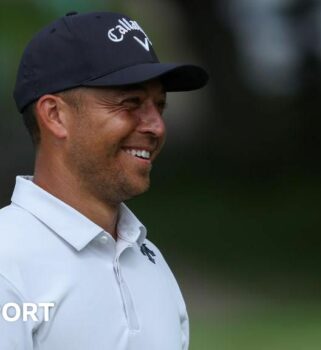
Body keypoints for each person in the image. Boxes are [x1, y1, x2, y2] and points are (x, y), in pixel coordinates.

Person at [0, 11, 208, 350]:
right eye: (131, 103)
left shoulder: (148, 260)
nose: (156, 126)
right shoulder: (6, 262)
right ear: (55, 115)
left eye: (160, 106)